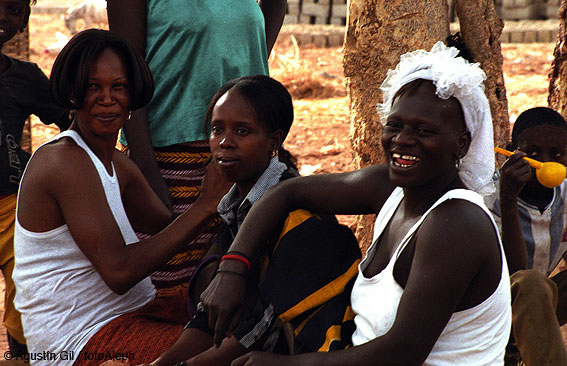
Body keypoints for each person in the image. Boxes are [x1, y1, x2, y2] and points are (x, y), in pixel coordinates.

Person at [201, 41, 512, 366]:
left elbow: (402, 353)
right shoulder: (390, 188)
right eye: (395, 125)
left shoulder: (456, 223)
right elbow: (286, 193)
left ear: (461, 144)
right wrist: (233, 268)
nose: (403, 140)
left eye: (424, 130)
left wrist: (282, 365)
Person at [12, 29, 231, 366]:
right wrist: (204, 205)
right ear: (72, 92)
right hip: (81, 341)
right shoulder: (63, 160)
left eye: (119, 87)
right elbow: (119, 271)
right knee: (226, 351)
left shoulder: (115, 162)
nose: (107, 98)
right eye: (92, 87)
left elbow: (166, 229)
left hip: (129, 316)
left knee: (242, 322)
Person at [142, 75, 361, 366]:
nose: (224, 142)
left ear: (274, 139)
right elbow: (212, 316)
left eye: (242, 131)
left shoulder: (297, 217)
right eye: (217, 129)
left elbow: (261, 331)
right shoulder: (236, 206)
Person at [105, 0, 287, 289]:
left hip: (243, 153)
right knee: (166, 285)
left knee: (234, 282)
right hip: (168, 158)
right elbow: (128, 76)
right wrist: (147, 170)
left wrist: (244, 77)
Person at [0, 0, 70, 356]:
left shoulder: (26, 78)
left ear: (25, 20)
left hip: (13, 210)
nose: (3, 17)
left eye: (13, 9)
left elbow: (70, 124)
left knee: (24, 305)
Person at [483, 107, 567, 366]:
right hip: (489, 314)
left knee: (535, 287)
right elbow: (517, 275)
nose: (545, 162)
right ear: (511, 152)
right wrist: (508, 199)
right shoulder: (488, 198)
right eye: (532, 154)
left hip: (540, 309)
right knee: (530, 283)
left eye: (557, 154)